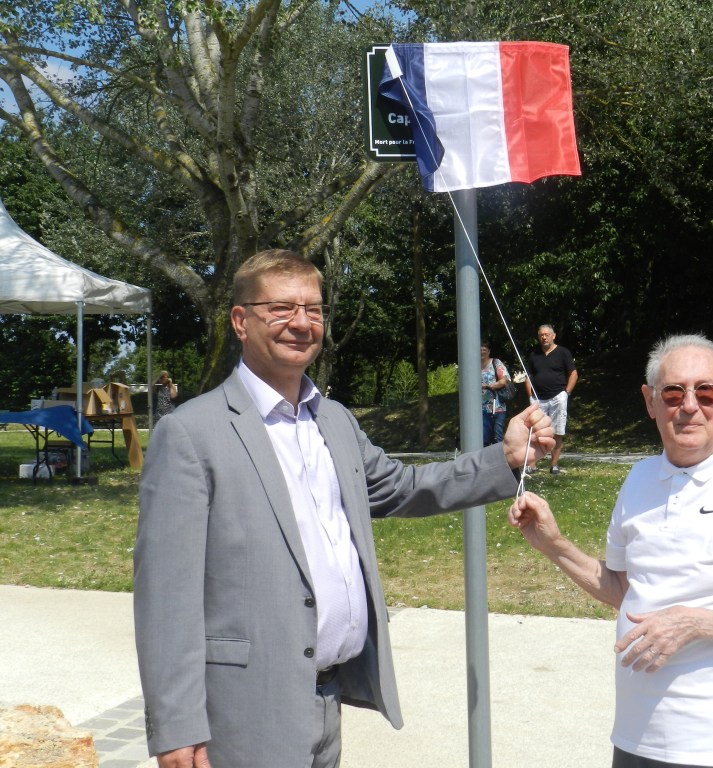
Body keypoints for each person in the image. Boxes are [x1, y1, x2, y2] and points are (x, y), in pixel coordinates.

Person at [133, 249, 554, 768]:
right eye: (282, 308)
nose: (302, 323)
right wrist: (177, 726)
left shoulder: (334, 420)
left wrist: (506, 458)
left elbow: (403, 487)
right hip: (241, 715)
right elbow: (165, 595)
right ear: (241, 321)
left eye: (314, 309)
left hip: (329, 702)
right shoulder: (190, 434)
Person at [509, 333, 713, 768]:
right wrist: (553, 544)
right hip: (634, 739)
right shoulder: (638, 479)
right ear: (650, 401)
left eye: (705, 392)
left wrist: (694, 623)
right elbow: (624, 588)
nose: (689, 406)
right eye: (673, 393)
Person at [524, 324, 577, 475]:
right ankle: (532, 465)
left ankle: (554, 465)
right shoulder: (534, 355)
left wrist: (567, 392)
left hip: (557, 397)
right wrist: (530, 396)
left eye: (547, 334)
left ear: (553, 336)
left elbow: (573, 373)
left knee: (557, 432)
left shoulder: (563, 353)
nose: (544, 337)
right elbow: (528, 377)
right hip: (537, 399)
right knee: (534, 432)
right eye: (541, 335)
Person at [480, 341, 510, 446]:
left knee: (497, 435)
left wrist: (489, 386)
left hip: (496, 405)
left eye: (484, 349)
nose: (481, 352)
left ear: (489, 351)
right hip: (481, 407)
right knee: (485, 436)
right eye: (479, 350)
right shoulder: (473, 365)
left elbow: (503, 381)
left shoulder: (496, 363)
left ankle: (500, 458)